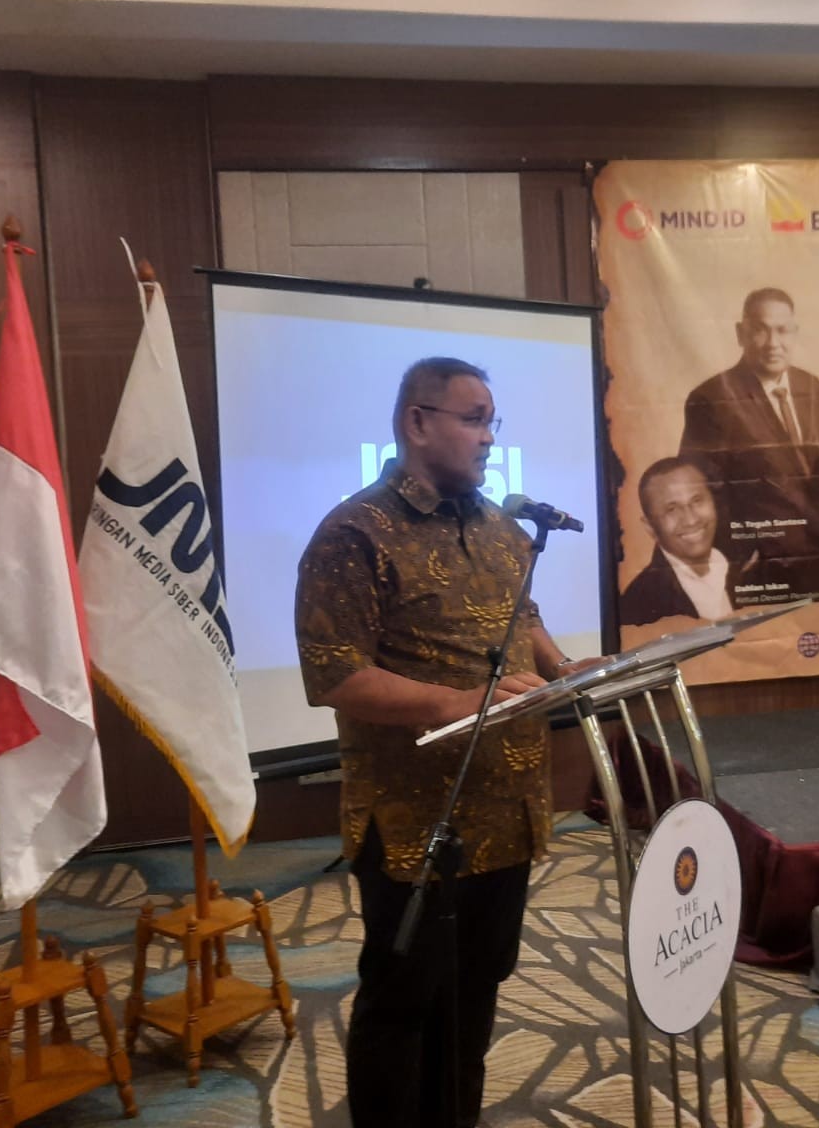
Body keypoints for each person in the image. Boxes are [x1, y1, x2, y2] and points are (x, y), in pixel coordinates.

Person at [295, 357, 589, 1128]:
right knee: (403, 1002)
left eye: (495, 422)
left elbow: (522, 620)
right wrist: (457, 703)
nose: (490, 438)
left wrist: (566, 669)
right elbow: (335, 674)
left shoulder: (500, 529)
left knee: (475, 992)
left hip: (509, 813)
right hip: (416, 825)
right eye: (475, 419)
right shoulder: (354, 533)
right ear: (418, 422)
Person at [678, 287, 819, 601]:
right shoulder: (712, 398)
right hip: (761, 569)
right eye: (760, 330)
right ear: (741, 334)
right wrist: (742, 554)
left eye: (782, 330)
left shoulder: (811, 385)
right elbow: (700, 489)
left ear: (795, 333)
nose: (773, 343)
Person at [620, 457, 742, 625]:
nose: (691, 520)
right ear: (650, 527)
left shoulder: (746, 567)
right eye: (672, 509)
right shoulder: (638, 605)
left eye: (697, 500)